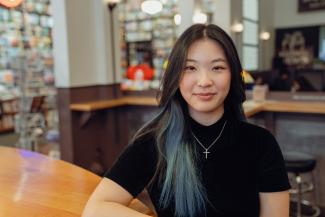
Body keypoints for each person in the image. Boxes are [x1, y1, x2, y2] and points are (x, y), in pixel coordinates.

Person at [82, 24, 290, 217]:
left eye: (217, 68)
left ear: (233, 75)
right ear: (175, 76)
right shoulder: (153, 142)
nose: (204, 81)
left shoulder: (261, 143)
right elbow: (96, 208)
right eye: (190, 68)